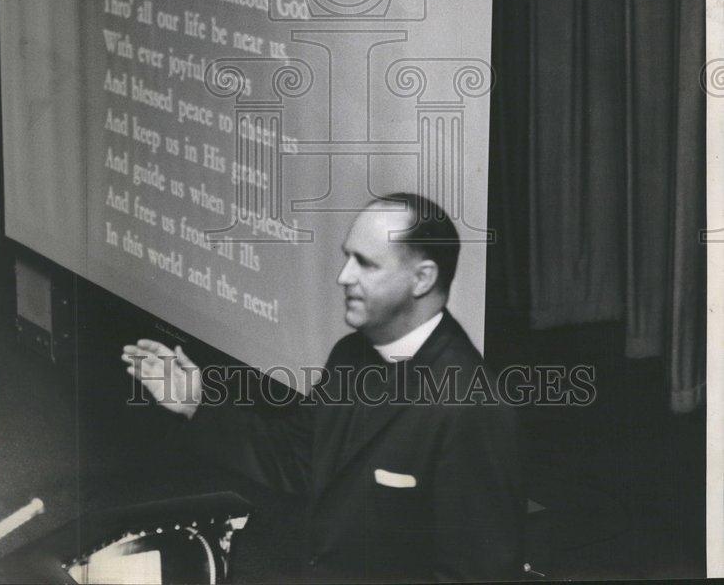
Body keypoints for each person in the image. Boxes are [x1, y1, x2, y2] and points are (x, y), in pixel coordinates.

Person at [122, 193, 524, 582]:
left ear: (422, 279)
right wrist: (197, 404)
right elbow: (298, 461)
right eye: (347, 257)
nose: (343, 277)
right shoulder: (350, 354)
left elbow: (475, 573)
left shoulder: (473, 407)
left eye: (366, 264)